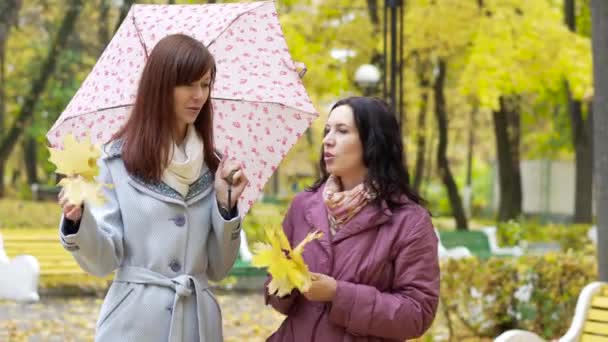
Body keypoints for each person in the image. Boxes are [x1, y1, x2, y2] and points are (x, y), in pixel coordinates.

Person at [58, 34, 248, 342]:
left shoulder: (216, 168)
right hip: (133, 324)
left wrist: (226, 206)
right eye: (188, 84)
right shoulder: (115, 162)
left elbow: (219, 268)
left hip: (198, 326)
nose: (199, 95)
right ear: (161, 86)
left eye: (205, 84)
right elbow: (104, 261)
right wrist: (79, 221)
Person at [265, 96, 440, 341]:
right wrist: (284, 283)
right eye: (327, 130)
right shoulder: (303, 205)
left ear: (373, 142)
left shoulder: (409, 221)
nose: (327, 140)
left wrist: (338, 294)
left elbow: (416, 314)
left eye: (342, 131)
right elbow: (276, 298)